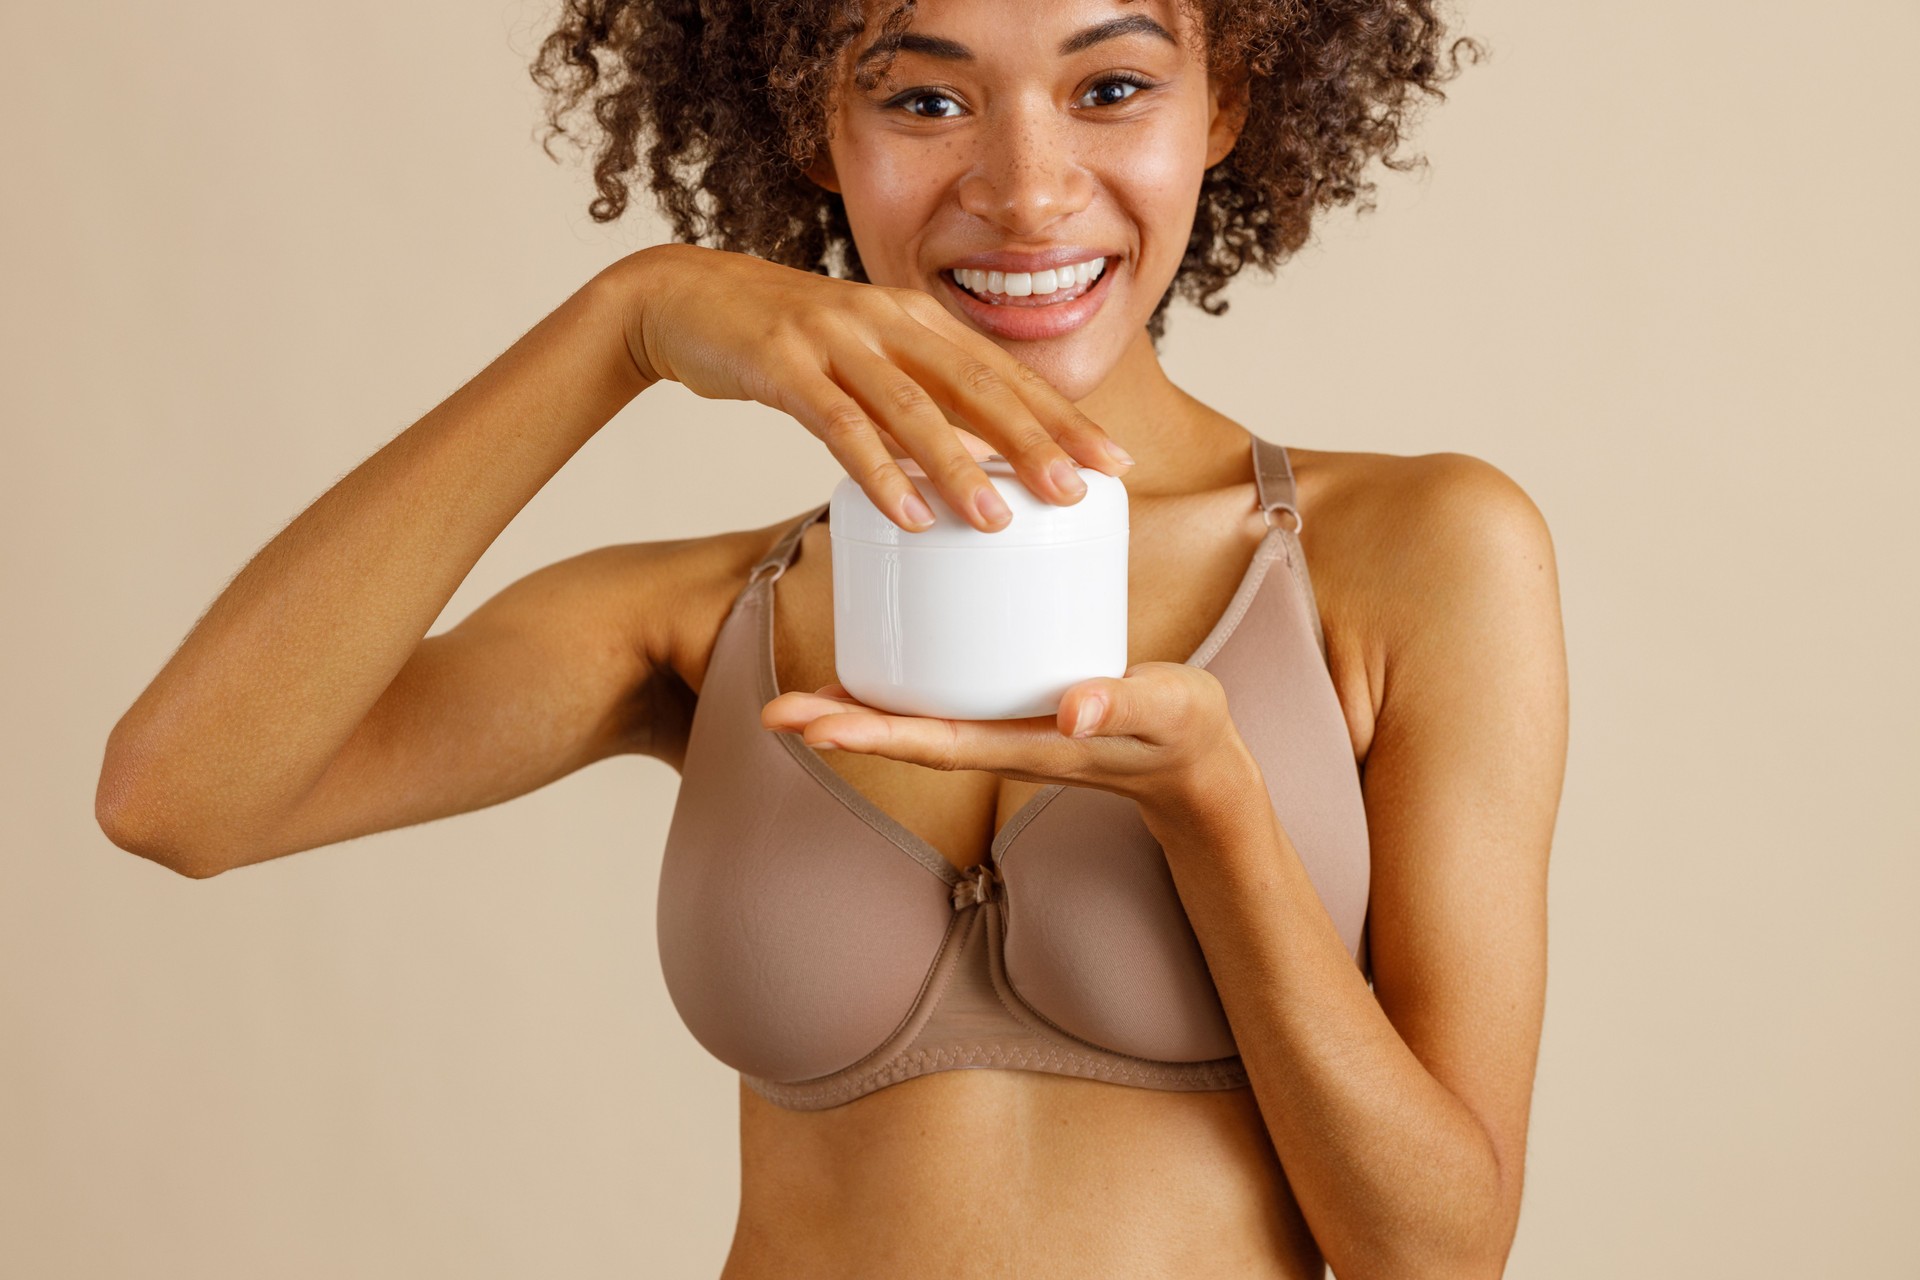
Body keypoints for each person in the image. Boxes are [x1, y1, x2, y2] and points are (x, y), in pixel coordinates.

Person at [97, 0, 1563, 1275]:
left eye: (1111, 88)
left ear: (1226, 102)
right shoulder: (701, 617)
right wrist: (625, 323)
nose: (1028, 191)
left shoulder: (1409, 557)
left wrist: (1217, 816)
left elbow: (1435, 1254)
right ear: (813, 128)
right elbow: (179, 798)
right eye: (924, 99)